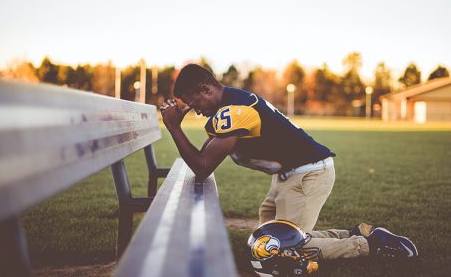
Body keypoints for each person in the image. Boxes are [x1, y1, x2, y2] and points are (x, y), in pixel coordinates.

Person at [159, 64, 418, 266]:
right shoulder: (229, 105)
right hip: (289, 176)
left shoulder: (233, 110)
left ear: (206, 90)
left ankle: (372, 245)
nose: (196, 111)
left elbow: (202, 166)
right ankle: (356, 233)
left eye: (195, 104)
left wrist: (172, 127)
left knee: (283, 248)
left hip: (307, 175)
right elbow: (203, 158)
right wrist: (176, 127)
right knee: (266, 241)